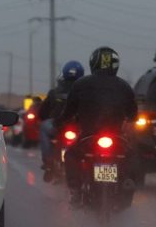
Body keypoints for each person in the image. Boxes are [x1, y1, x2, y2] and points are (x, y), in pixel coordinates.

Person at [58, 46, 138, 204]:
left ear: (93, 63)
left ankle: (75, 190)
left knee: (71, 155)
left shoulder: (80, 84)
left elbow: (68, 112)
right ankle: (127, 185)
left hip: (88, 137)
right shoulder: (125, 86)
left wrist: (61, 121)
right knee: (132, 155)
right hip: (117, 138)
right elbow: (133, 114)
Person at [37, 60, 85, 180]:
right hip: (80, 127)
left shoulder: (55, 92)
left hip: (58, 125)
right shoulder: (86, 90)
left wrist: (49, 118)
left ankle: (48, 162)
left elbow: (42, 113)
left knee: (43, 127)